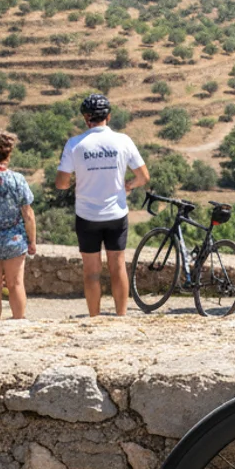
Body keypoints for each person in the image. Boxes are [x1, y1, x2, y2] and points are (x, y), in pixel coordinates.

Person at [55, 94, 150, 317]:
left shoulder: (74, 144)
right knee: (118, 267)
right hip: (116, 214)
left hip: (87, 215)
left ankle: (94, 318)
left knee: (91, 271)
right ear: (109, 116)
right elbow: (143, 176)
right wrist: (129, 185)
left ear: (86, 119)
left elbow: (61, 183)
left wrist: (78, 181)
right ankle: (121, 316)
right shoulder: (123, 141)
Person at [0, 132, 34, 319]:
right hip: (14, 239)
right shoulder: (17, 179)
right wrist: (32, 241)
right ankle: (19, 322)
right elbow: (27, 214)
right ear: (9, 154)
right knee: (15, 284)